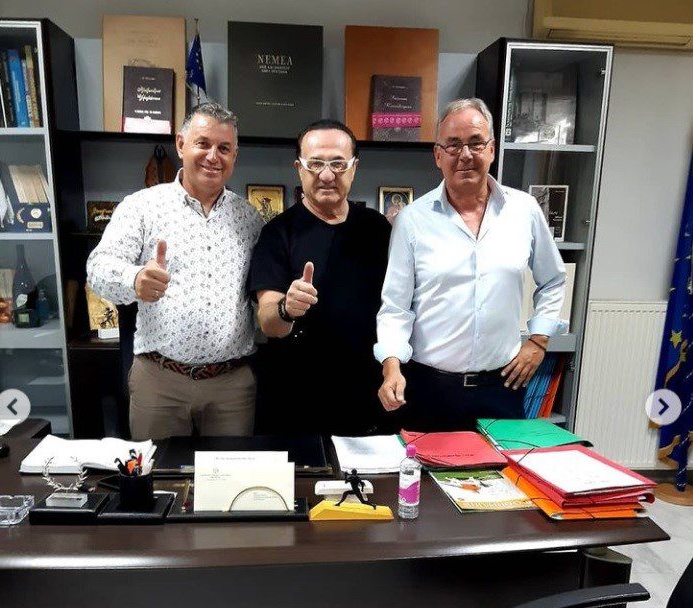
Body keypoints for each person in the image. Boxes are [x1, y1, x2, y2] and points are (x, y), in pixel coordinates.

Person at [375, 98, 567, 431]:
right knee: (428, 466)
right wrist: (391, 368)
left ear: (491, 149)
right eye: (453, 145)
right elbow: (395, 307)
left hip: (503, 386)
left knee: (503, 466)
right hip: (431, 389)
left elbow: (553, 280)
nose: (465, 155)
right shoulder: (412, 220)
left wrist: (539, 341)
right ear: (438, 155)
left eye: (476, 143)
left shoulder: (524, 210)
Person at [86, 102, 263, 440]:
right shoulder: (142, 207)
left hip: (231, 386)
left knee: (229, 472)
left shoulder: (249, 219)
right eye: (203, 144)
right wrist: (134, 279)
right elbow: (98, 268)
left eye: (224, 148)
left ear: (234, 156)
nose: (213, 156)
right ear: (181, 144)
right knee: (159, 473)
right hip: (160, 381)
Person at [249, 119, 391, 436]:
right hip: (295, 397)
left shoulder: (377, 228)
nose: (327, 175)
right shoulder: (277, 233)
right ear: (299, 168)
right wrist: (287, 308)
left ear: (354, 168)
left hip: (366, 393)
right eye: (315, 164)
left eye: (338, 164)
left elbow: (398, 308)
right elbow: (268, 321)